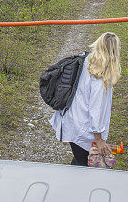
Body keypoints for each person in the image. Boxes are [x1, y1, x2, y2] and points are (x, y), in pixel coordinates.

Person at [50, 32, 121, 166]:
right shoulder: (101, 79)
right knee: (83, 166)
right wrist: (99, 139)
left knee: (79, 160)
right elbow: (96, 110)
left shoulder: (86, 61)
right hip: (82, 130)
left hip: (72, 122)